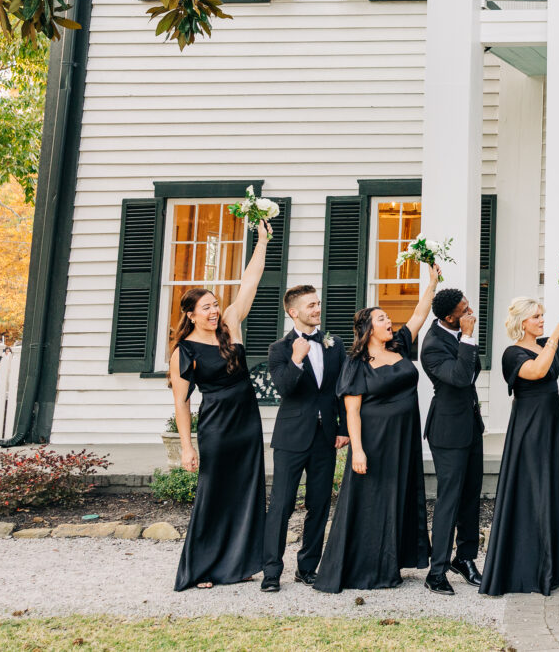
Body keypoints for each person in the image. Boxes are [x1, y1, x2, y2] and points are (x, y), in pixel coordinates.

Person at [314, 265, 436, 593]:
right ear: (368, 328)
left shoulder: (398, 346)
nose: (388, 322)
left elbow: (419, 314)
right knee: (371, 500)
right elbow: (352, 412)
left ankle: (393, 559)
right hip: (374, 440)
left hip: (403, 439)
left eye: (387, 318)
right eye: (381, 318)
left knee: (400, 495)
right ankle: (366, 565)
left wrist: (432, 283)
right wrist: (358, 449)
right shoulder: (356, 364)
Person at [169, 220, 272, 591]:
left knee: (247, 493)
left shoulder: (231, 325)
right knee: (214, 496)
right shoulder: (185, 350)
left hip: (247, 424)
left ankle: (239, 564)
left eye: (214, 305)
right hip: (216, 427)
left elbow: (250, 283)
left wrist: (261, 241)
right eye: (206, 308)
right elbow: (182, 404)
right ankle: (203, 568)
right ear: (191, 315)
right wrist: (186, 446)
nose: (214, 312)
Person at [480, 296, 559, 596]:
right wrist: (553, 335)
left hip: (552, 423)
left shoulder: (546, 345)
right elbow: (538, 371)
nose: (542, 320)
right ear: (522, 322)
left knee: (553, 487)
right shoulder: (512, 353)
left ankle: (556, 565)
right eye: (536, 317)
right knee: (533, 489)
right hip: (529, 426)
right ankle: (529, 566)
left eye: (542, 315)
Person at [261, 283, 348, 592]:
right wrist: (297, 359)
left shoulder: (333, 344)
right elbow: (285, 388)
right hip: (291, 438)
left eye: (318, 303)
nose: (317, 309)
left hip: (325, 437)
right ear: (293, 311)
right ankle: (271, 571)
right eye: (311, 305)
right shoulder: (279, 349)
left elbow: (340, 388)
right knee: (282, 505)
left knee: (319, 504)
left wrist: (343, 428)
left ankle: (307, 568)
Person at [419, 286, 485, 595]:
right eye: (464, 311)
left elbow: (473, 372)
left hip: (471, 426)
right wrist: (468, 338)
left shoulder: (460, 333)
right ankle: (437, 571)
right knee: (449, 499)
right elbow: (460, 378)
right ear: (449, 317)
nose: (470, 314)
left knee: (471, 495)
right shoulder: (432, 345)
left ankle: (466, 558)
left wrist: (467, 338)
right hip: (447, 431)